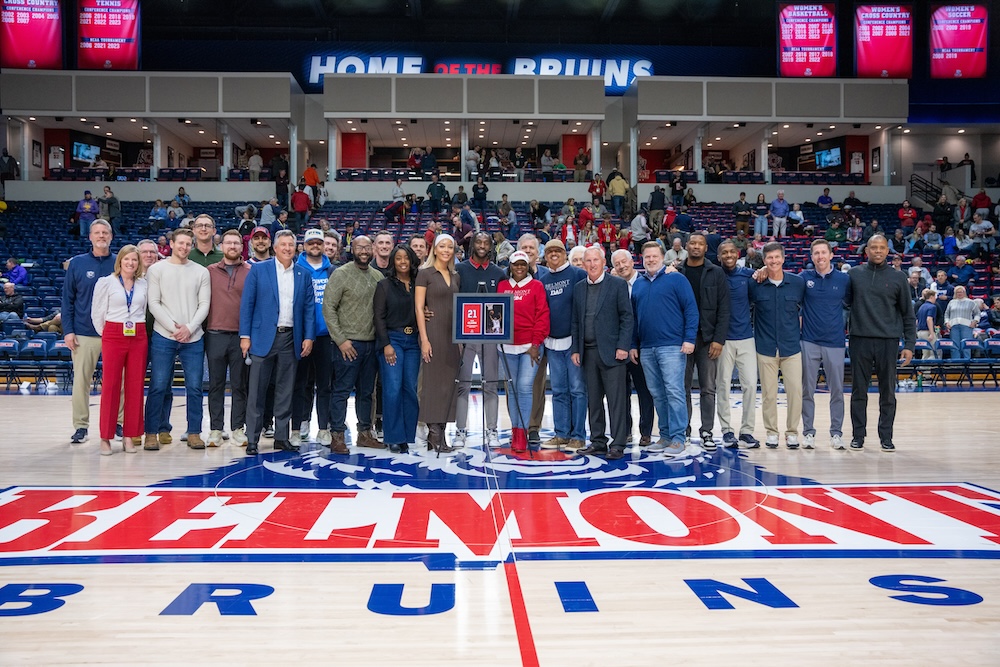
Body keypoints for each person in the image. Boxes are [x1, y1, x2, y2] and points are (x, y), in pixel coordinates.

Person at [240, 230, 315, 456]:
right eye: (283, 245)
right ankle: (252, 438)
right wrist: (245, 336)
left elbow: (309, 309)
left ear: (296, 248)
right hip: (262, 337)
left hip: (290, 338)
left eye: (291, 245)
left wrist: (309, 336)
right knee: (257, 391)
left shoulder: (303, 274)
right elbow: (247, 305)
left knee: (285, 390)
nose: (287, 248)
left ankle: (281, 437)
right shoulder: (258, 270)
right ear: (275, 248)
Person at [845, 234, 915, 452]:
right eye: (873, 247)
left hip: (888, 342)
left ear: (887, 251)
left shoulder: (899, 277)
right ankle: (858, 435)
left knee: (888, 392)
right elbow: (845, 303)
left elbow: (908, 314)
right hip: (860, 340)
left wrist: (910, 345)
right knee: (858, 391)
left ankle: (886, 436)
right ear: (866, 250)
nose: (877, 251)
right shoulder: (854, 275)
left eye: (881, 247)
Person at [144, 228, 211, 450]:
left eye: (188, 244)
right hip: (164, 336)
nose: (184, 247)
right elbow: (153, 303)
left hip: (193, 337)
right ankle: (151, 432)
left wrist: (189, 328)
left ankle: (194, 432)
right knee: (158, 386)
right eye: (180, 243)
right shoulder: (156, 270)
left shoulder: (201, 272)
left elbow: (204, 305)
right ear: (171, 244)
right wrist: (174, 328)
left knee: (194, 387)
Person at [630, 242, 698, 458]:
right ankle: (666, 435)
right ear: (642, 259)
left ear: (662, 257)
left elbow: (691, 309)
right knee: (657, 394)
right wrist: (633, 344)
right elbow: (633, 318)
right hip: (647, 347)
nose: (650, 260)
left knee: (674, 391)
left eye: (654, 256)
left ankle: (679, 437)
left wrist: (689, 339)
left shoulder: (676, 278)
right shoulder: (639, 285)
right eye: (646, 256)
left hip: (672, 346)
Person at [323, 235, 385, 454]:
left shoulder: (378, 276)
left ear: (373, 250)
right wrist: (340, 340)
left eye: (368, 247)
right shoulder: (341, 274)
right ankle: (337, 436)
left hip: (371, 344)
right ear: (352, 249)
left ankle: (365, 434)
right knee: (341, 391)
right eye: (360, 247)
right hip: (347, 345)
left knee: (367, 392)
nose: (364, 251)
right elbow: (328, 308)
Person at [90, 245, 148, 456]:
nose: (130, 263)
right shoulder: (106, 282)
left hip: (138, 334)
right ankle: (105, 437)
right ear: (120, 262)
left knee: (135, 387)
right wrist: (107, 333)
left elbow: (143, 309)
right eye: (127, 260)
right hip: (113, 332)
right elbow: (97, 312)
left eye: (134, 260)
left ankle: (129, 436)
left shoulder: (143, 284)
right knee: (111, 385)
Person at [63, 220, 116, 444]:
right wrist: (68, 330)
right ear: (90, 237)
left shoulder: (119, 262)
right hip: (84, 333)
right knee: (81, 382)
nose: (101, 236)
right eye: (97, 232)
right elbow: (67, 300)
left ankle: (119, 424)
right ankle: (81, 426)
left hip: (114, 332)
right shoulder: (77, 263)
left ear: (111, 236)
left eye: (105, 232)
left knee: (117, 382)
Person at [453, 232, 505, 449]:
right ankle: (460, 431)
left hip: (491, 336)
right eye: (479, 242)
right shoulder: (460, 270)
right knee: (463, 385)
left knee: (491, 384)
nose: (482, 246)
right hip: (465, 336)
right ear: (472, 245)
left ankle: (492, 429)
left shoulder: (498, 273)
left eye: (486, 242)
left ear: (491, 246)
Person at [678, 233, 730, 449]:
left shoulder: (716, 273)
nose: (696, 247)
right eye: (693, 243)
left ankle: (707, 430)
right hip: (682, 340)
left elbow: (724, 309)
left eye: (700, 244)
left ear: (706, 247)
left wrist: (718, 339)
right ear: (686, 246)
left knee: (708, 388)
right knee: (683, 388)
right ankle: (684, 430)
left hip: (708, 339)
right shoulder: (677, 271)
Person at [798, 239, 851, 450]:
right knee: (806, 390)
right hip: (809, 341)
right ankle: (808, 432)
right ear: (812, 257)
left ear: (831, 255)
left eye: (823, 252)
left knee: (837, 390)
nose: (820, 256)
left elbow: (852, 302)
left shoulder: (844, 280)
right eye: (816, 253)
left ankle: (836, 433)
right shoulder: (803, 278)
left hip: (835, 342)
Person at [751, 242, 805, 449]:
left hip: (791, 347)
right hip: (765, 347)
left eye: (777, 257)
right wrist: (758, 272)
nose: (773, 261)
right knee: (768, 394)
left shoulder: (797, 283)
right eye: (769, 258)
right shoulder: (755, 283)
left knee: (794, 392)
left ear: (783, 258)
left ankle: (792, 432)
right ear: (764, 261)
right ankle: (771, 432)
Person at [497, 251, 550, 453]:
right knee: (513, 389)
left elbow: (542, 315)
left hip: (531, 346)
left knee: (525, 387)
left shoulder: (536, 286)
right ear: (509, 266)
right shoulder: (502, 287)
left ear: (528, 266)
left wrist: (536, 344)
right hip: (507, 347)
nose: (519, 268)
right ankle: (515, 430)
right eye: (515, 264)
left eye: (523, 264)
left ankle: (523, 431)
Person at [538, 240, 588, 451]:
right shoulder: (543, 279)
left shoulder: (577, 274)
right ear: (546, 256)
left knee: (577, 389)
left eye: (558, 251)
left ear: (565, 254)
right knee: (558, 390)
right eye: (550, 252)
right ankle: (561, 433)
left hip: (573, 343)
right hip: (552, 343)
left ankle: (578, 435)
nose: (554, 254)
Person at [415, 234, 463, 454]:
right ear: (434, 249)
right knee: (433, 385)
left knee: (447, 386)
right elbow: (418, 308)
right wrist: (424, 340)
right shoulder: (424, 274)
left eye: (450, 247)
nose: (446, 250)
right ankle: (434, 435)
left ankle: (441, 433)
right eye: (442, 246)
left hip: (451, 335)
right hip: (433, 332)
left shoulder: (455, 275)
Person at [203, 230, 251, 448]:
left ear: (242, 247)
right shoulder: (209, 271)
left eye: (236, 243)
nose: (232, 246)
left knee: (240, 385)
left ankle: (238, 428)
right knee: (216, 384)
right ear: (221, 246)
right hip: (214, 334)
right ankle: (215, 428)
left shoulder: (251, 271)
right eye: (228, 242)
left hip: (241, 336)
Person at [373, 245, 421, 454]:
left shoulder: (418, 284)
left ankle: (406, 436)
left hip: (413, 342)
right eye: (398, 258)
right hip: (393, 339)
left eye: (406, 258)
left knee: (409, 388)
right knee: (392, 388)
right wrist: (386, 345)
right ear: (393, 261)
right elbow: (378, 317)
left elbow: (421, 309)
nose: (402, 262)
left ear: (411, 261)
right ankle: (393, 436)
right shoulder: (384, 285)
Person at [292, 229, 336, 446]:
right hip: (301, 336)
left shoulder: (333, 271)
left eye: (319, 242)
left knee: (325, 384)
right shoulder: (295, 269)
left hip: (327, 336)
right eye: (311, 242)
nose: (315, 246)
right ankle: (302, 421)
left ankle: (323, 427)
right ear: (304, 245)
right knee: (301, 383)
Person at [715, 241, 759, 449]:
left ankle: (747, 431)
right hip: (722, 340)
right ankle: (726, 430)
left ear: (738, 254)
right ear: (719, 256)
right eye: (724, 252)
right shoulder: (714, 275)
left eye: (732, 251)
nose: (728, 255)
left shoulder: (748, 276)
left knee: (750, 385)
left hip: (746, 338)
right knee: (722, 386)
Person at [611, 249, 655, 447]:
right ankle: (625, 431)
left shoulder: (645, 282)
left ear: (632, 261)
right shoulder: (612, 285)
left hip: (641, 347)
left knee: (645, 391)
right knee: (621, 393)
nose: (621, 266)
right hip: (618, 348)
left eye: (624, 262)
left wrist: (634, 345)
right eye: (617, 264)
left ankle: (646, 432)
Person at [944, 286, 981, 360]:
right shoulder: (951, 302)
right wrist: (947, 322)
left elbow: (977, 313)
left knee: (966, 345)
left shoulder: (971, 302)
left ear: (964, 293)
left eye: (961, 292)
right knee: (954, 345)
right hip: (954, 326)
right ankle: (956, 363)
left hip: (967, 326)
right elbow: (946, 314)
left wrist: (975, 321)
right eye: (957, 292)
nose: (959, 293)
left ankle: (966, 362)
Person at [916, 289, 938, 359]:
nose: (935, 298)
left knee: (925, 353)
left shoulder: (921, 307)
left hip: (920, 332)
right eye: (935, 297)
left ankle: (923, 369)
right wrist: (932, 333)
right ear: (931, 297)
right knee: (932, 352)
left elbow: (916, 320)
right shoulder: (932, 307)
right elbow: (929, 319)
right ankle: (930, 369)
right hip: (927, 331)